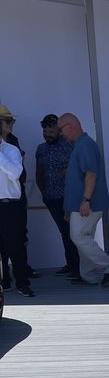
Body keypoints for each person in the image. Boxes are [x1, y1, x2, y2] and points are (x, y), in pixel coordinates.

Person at [58, 113, 109, 286]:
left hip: (86, 204)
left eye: (61, 129)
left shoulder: (85, 145)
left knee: (78, 236)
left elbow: (91, 174)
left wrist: (85, 200)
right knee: (85, 237)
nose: (60, 133)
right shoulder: (82, 145)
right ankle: (89, 276)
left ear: (71, 125)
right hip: (82, 204)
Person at [34, 113, 79, 277]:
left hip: (69, 198)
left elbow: (79, 166)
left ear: (59, 130)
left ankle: (78, 267)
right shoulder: (41, 149)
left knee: (72, 232)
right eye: (45, 130)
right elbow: (39, 172)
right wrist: (43, 193)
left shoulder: (69, 145)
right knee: (64, 232)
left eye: (50, 130)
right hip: (51, 199)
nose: (47, 133)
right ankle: (71, 264)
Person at [0, 123, 34, 297]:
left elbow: (14, 173)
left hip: (8, 205)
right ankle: (4, 281)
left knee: (15, 245)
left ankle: (22, 282)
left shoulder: (11, 150)